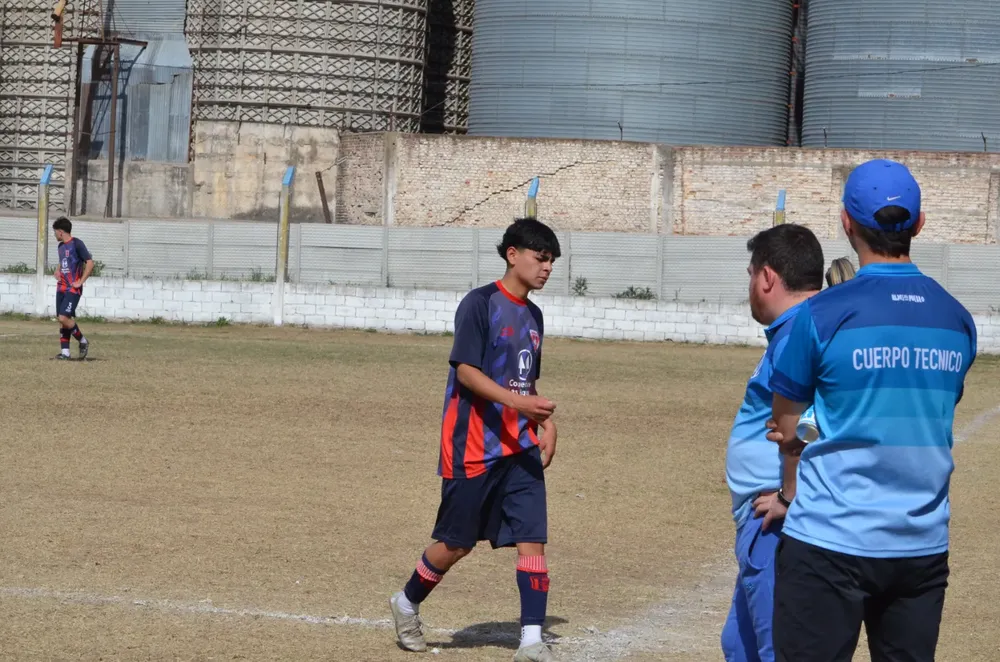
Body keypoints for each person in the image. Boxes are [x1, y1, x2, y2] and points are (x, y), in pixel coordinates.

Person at [766, 159, 978, 662]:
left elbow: (789, 424)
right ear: (920, 224)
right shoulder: (958, 319)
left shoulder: (819, 315)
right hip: (921, 548)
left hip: (828, 543)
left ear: (845, 223)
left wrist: (790, 479)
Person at [390, 218, 562, 662]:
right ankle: (407, 602)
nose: (546, 269)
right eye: (540, 258)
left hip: (519, 448)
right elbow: (466, 372)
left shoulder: (535, 315)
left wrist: (543, 421)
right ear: (512, 254)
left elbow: (525, 381)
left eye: (551, 262)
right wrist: (519, 405)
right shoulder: (479, 304)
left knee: (532, 536)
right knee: (456, 543)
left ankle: (530, 641)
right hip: (473, 446)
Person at [721, 223, 825, 662]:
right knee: (739, 644)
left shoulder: (800, 333)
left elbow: (811, 422)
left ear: (766, 277)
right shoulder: (798, 329)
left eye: (750, 274)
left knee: (773, 650)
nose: (749, 286)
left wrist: (789, 494)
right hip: (761, 519)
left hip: (775, 522)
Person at [52, 216, 93, 360]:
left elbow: (89, 263)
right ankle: (65, 353)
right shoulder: (60, 247)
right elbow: (62, 261)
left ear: (61, 232)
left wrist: (80, 282)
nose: (55, 235)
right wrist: (58, 270)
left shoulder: (77, 244)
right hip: (61, 287)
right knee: (63, 319)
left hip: (73, 288)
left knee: (64, 317)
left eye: (55, 232)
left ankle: (83, 341)